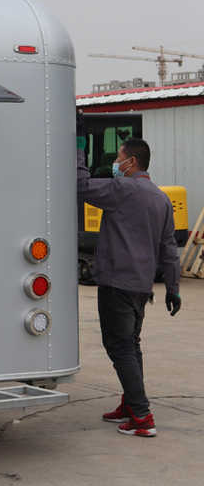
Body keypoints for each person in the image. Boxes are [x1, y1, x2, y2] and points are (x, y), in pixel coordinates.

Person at [76, 127, 181, 438]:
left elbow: (80, 186)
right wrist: (173, 288)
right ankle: (130, 403)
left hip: (117, 282)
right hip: (141, 286)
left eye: (118, 158)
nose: (115, 163)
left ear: (131, 162)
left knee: (120, 346)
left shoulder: (122, 189)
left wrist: (78, 149)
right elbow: (169, 248)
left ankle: (142, 416)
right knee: (130, 345)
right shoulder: (161, 199)